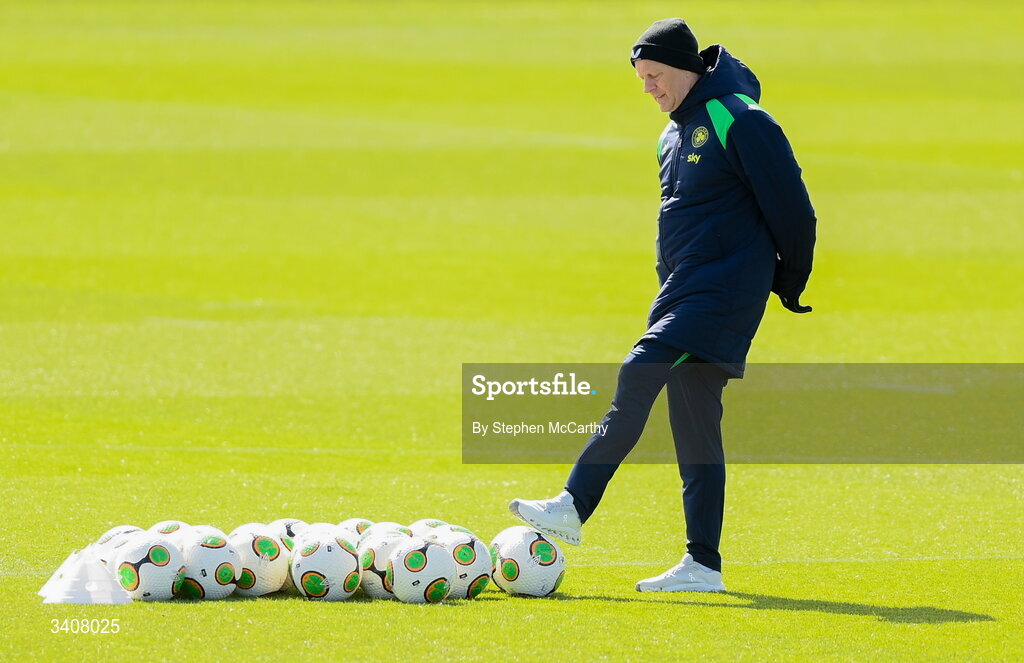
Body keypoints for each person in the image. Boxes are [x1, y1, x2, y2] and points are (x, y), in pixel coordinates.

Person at [508, 18, 816, 592]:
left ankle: (574, 503)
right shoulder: (671, 136)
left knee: (638, 371)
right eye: (641, 79)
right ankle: (704, 565)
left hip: (723, 292)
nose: (648, 88)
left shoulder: (741, 120)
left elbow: (794, 209)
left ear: (684, 67)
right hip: (683, 290)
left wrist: (789, 282)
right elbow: (677, 222)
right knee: (696, 429)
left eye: (653, 76)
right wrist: (666, 286)